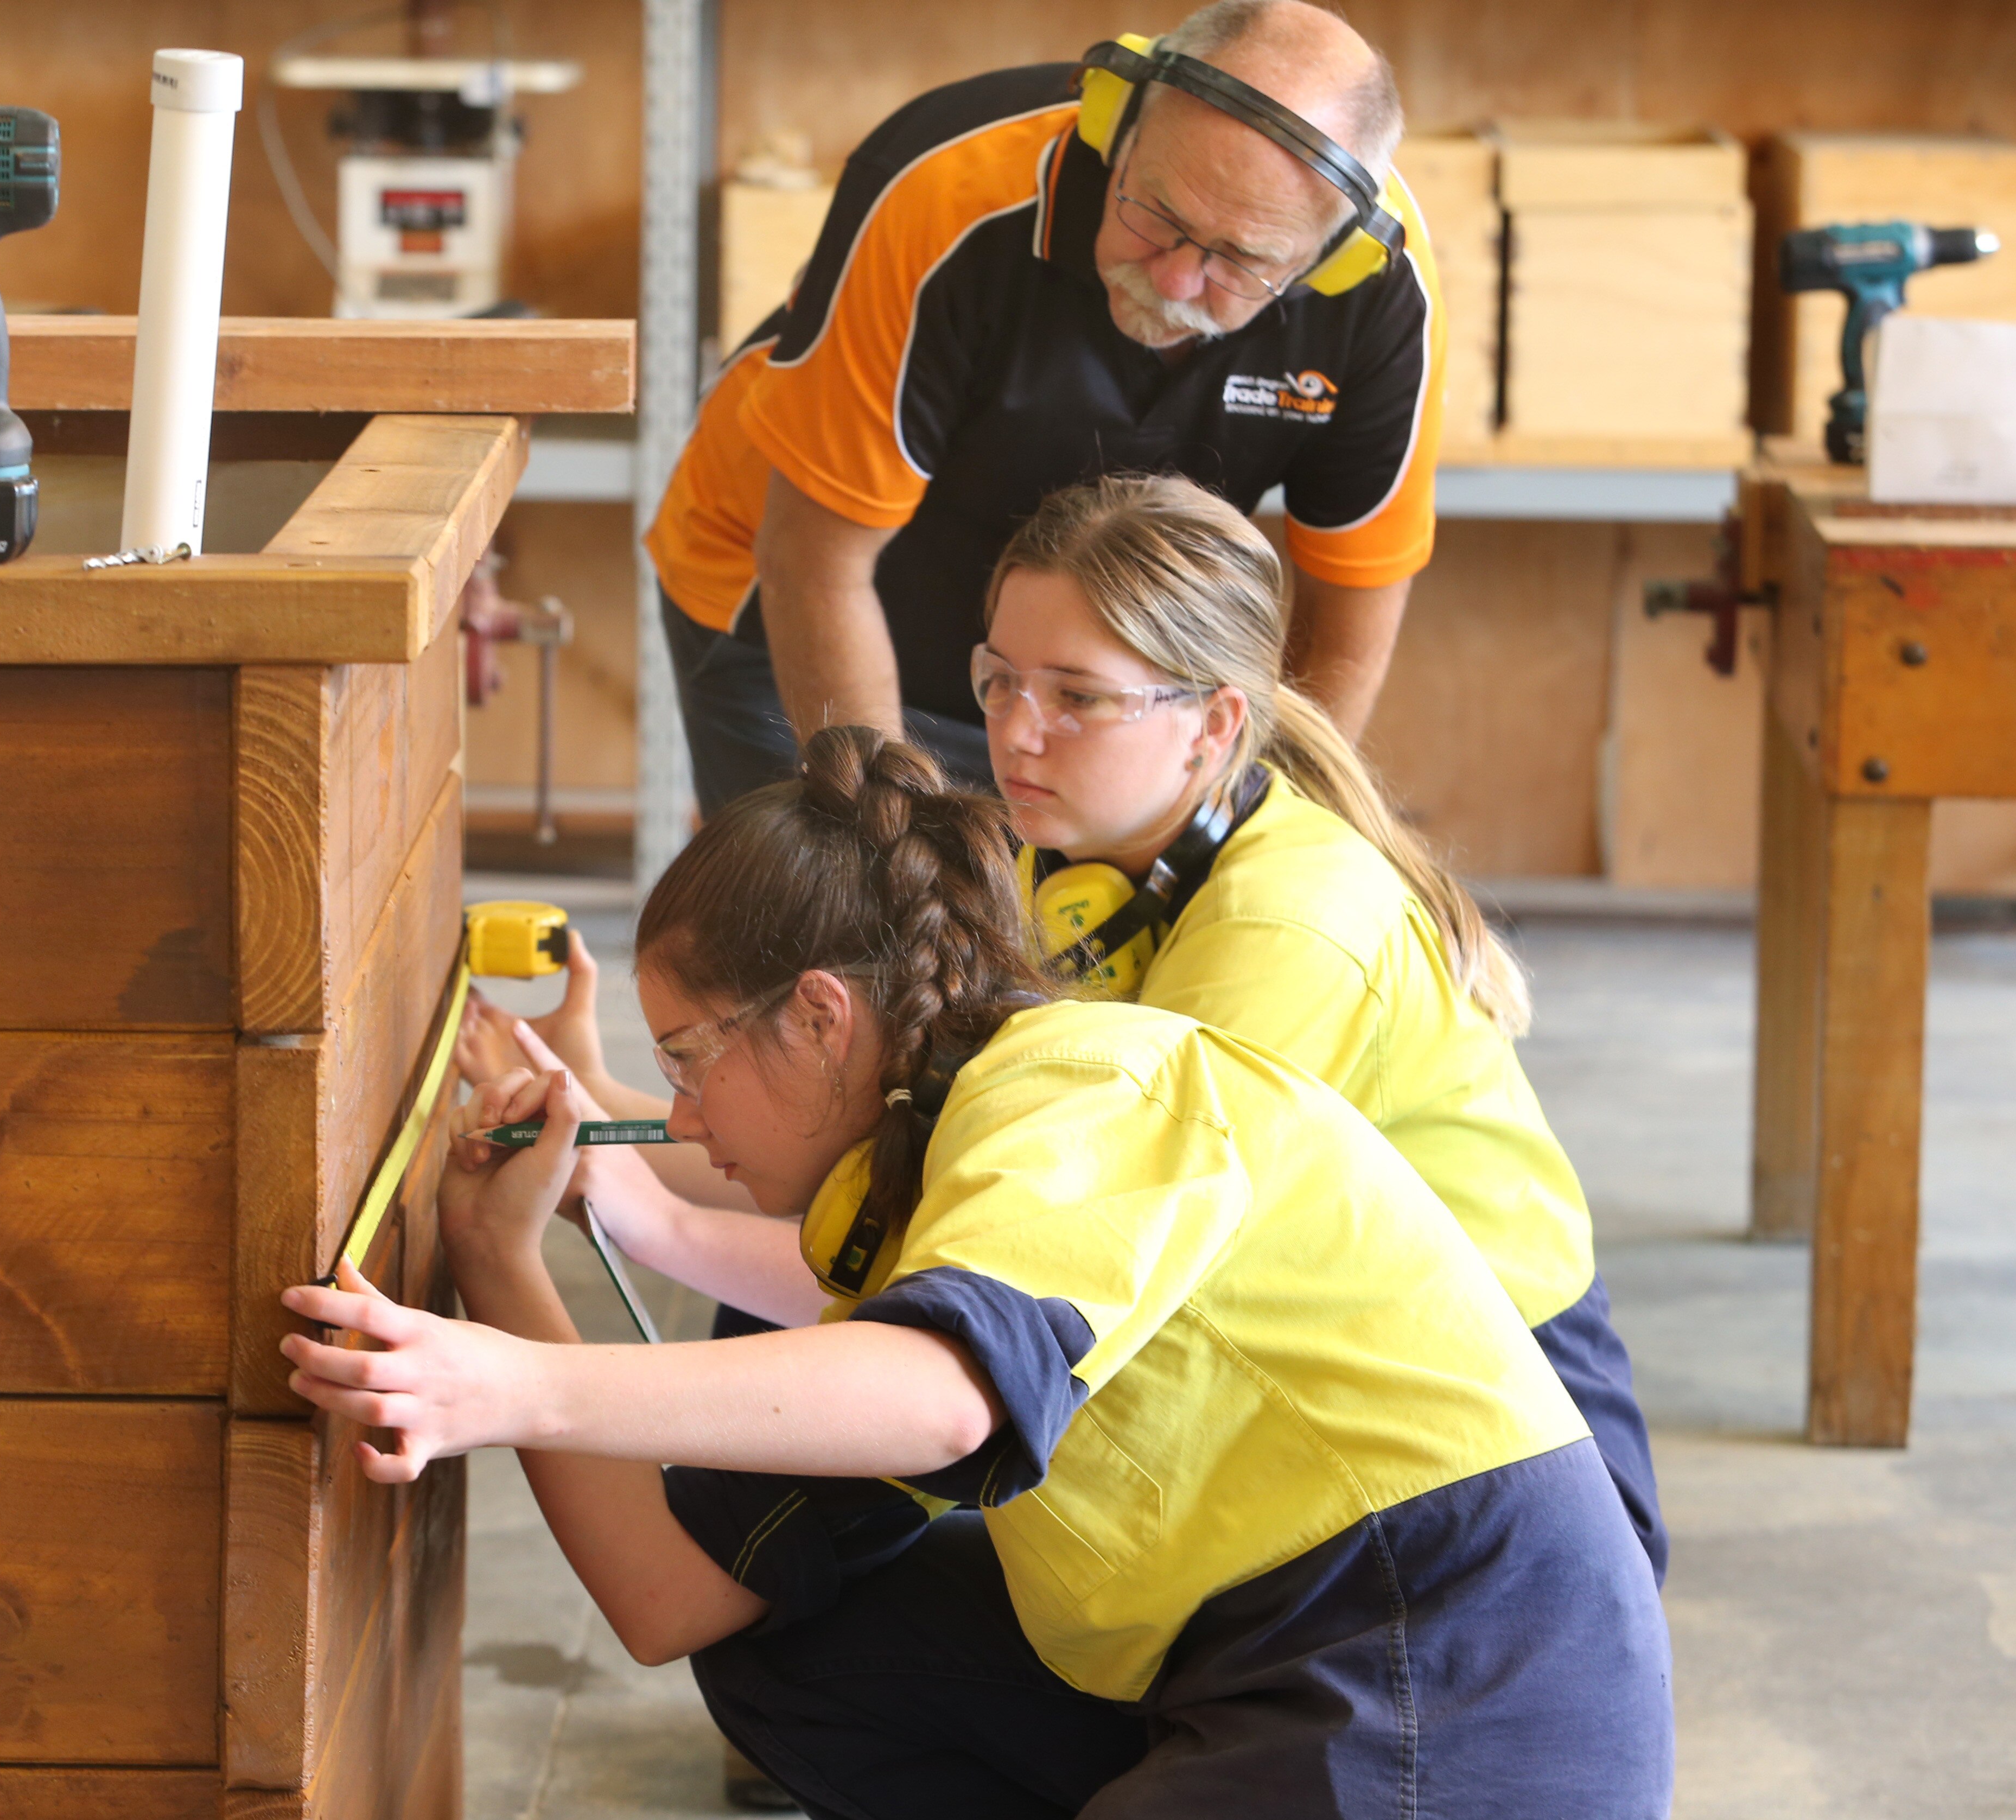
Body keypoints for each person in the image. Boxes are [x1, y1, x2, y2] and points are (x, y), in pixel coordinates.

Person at [286, 728, 1673, 1819]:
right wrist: (495, 1260)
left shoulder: (1076, 1085)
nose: (683, 1121)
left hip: (1449, 1663)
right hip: (1264, 1658)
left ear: (822, 1019)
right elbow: (676, 1597)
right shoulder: (904, 1198)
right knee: (803, 1651)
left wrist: (517, 1385)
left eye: (688, 1059)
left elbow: (944, 1399)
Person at [978, 471, 1667, 1581]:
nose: (1018, 731)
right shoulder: (1069, 859)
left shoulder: (1285, 927)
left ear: (1213, 724)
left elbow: (1113, 1243)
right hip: (1329, 1374)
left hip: (1506, 1456)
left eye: (1076, 697)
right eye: (997, 681)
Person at [647, 0, 1446, 814]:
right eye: (1156, 215)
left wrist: (1267, 836)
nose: (1175, 281)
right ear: (1116, 129)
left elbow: (1343, 626)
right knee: (848, 924)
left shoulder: (1384, 292)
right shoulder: (942, 195)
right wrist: (883, 860)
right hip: (792, 595)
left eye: (1240, 259)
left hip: (1082, 671)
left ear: (1329, 261)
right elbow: (814, 567)